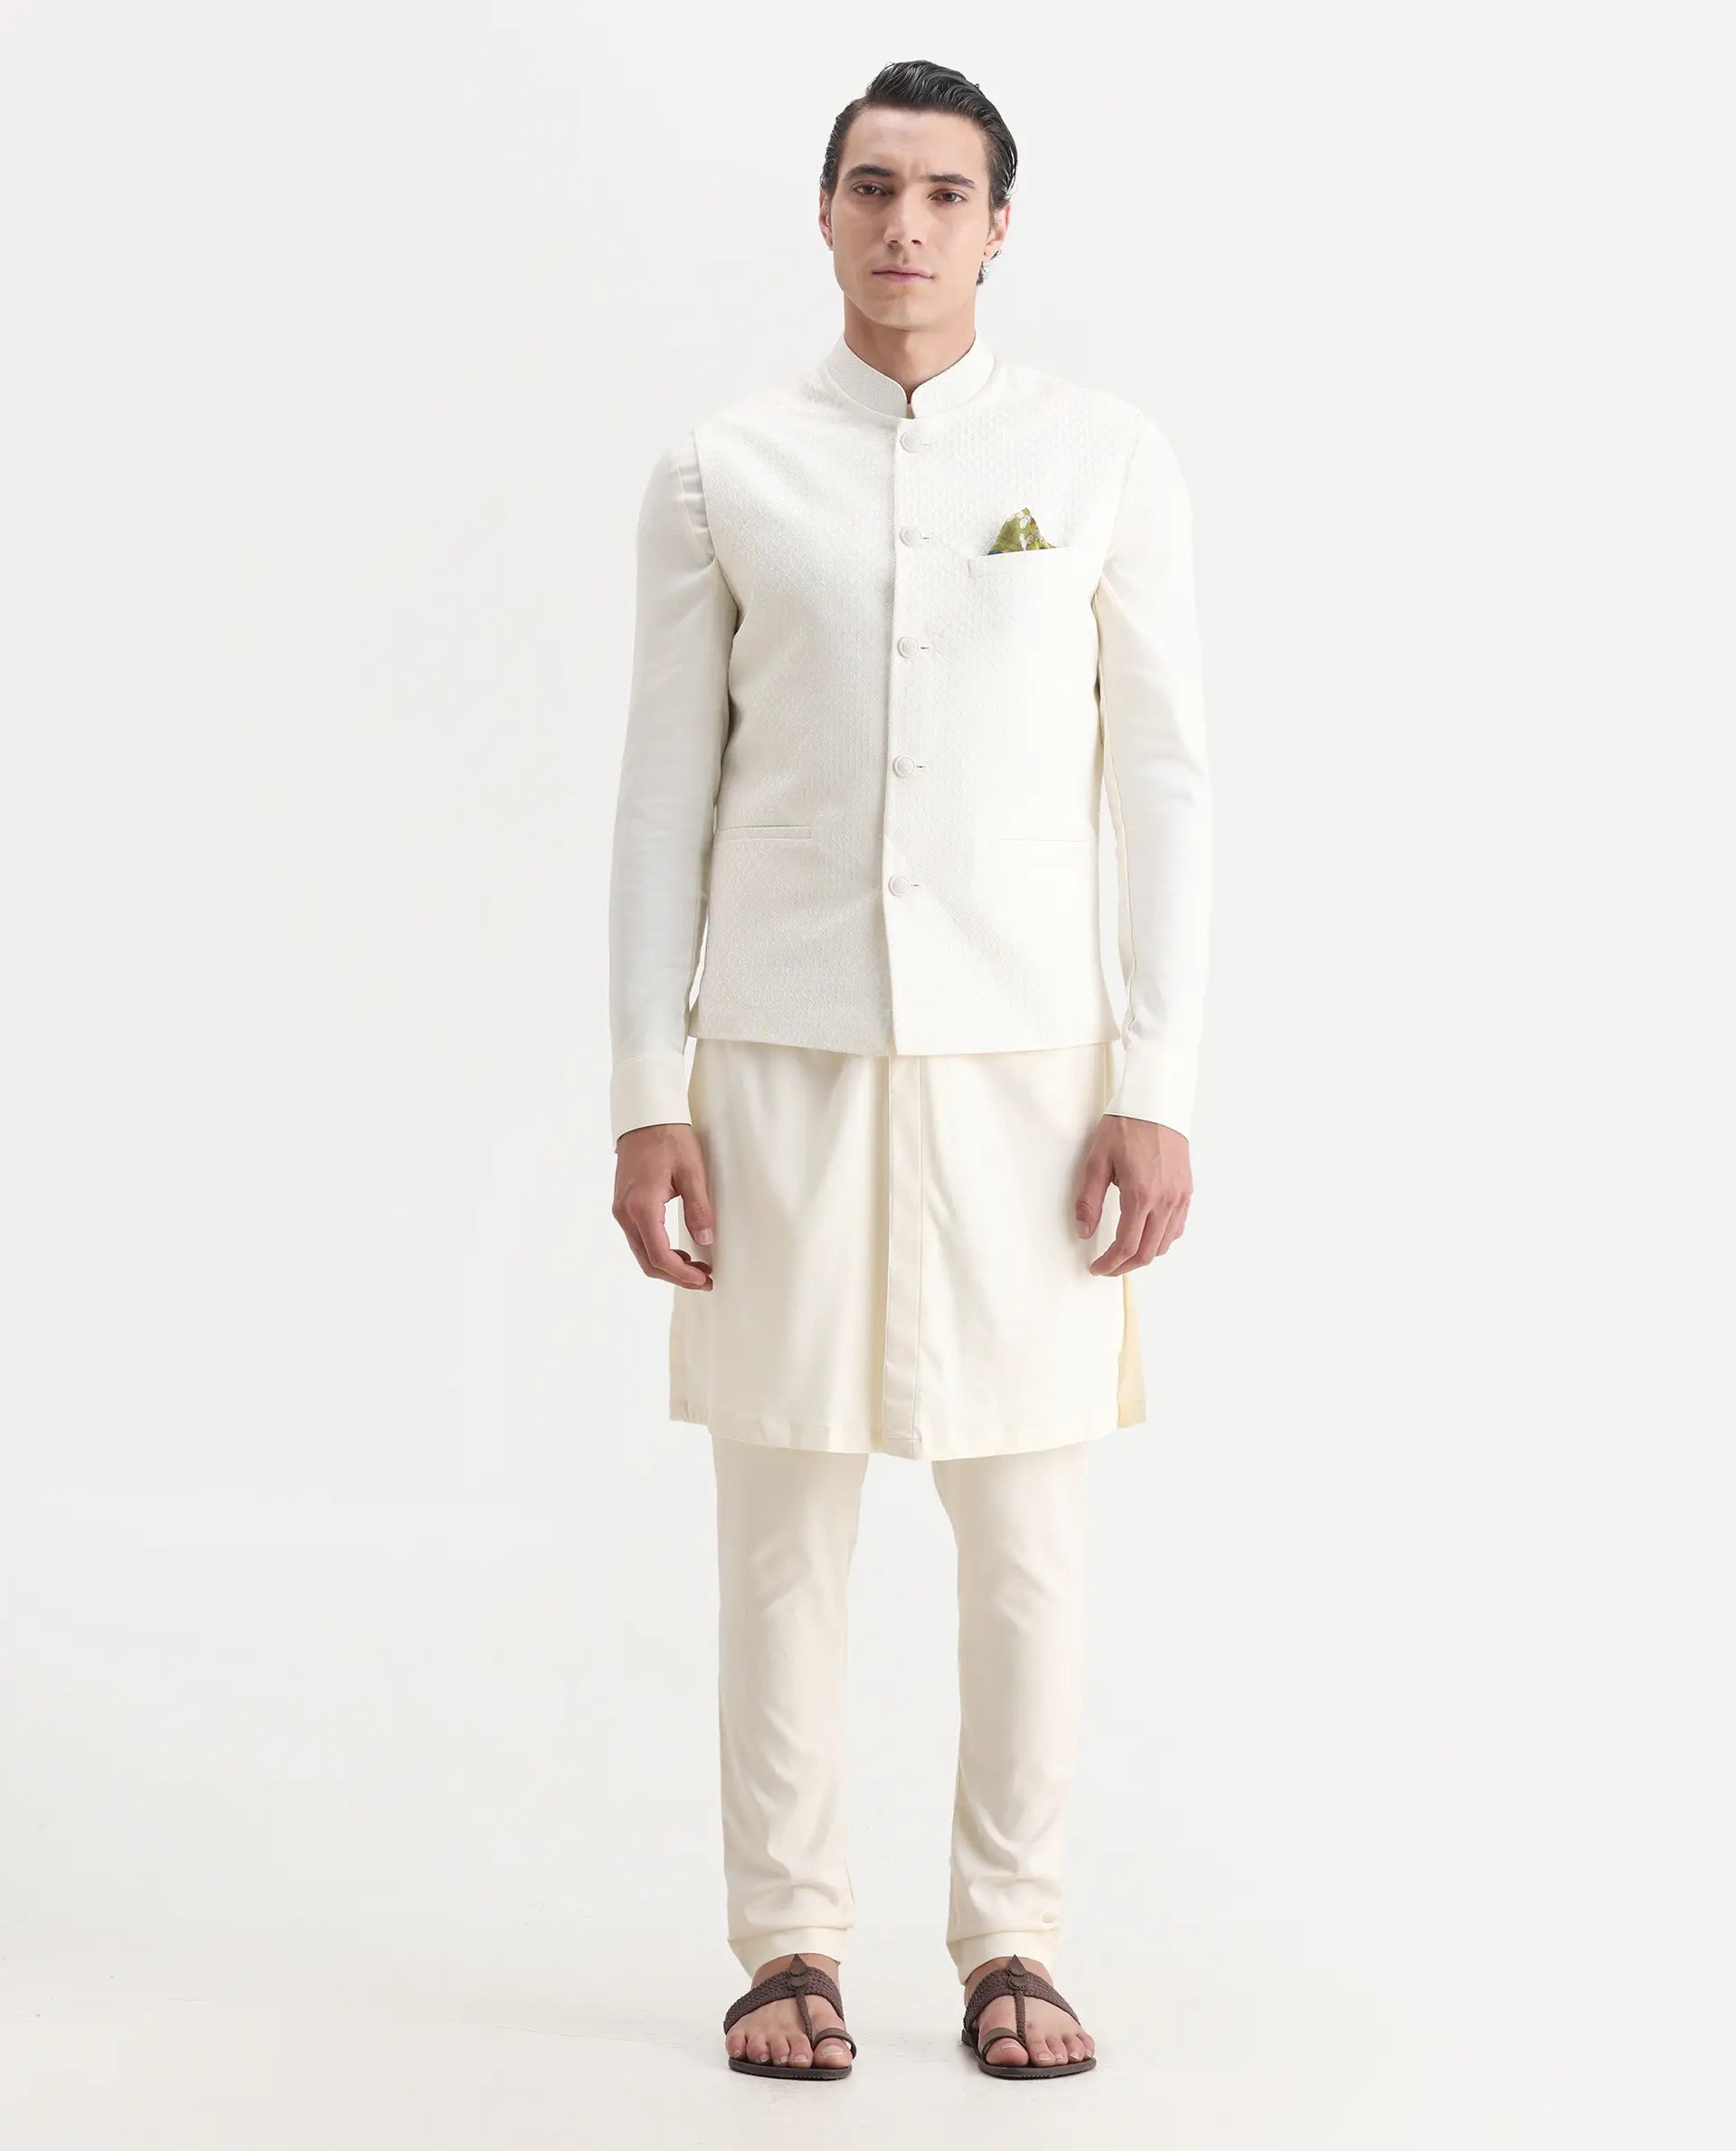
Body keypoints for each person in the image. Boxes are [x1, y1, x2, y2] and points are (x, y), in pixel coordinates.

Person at [607, 59, 1210, 2082]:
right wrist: (647, 1085)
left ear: (1000, 226)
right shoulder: (724, 469)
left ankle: (1013, 1936)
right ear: (825, 210)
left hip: (1032, 1079)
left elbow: (1167, 784)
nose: (906, 226)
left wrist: (1157, 1075)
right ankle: (784, 1941)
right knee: (780, 1524)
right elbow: (661, 798)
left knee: (1025, 1532)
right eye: (873, 187)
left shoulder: (1101, 457)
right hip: (779, 1064)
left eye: (947, 194)